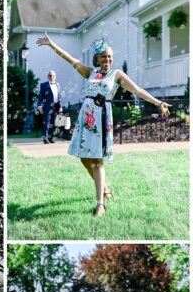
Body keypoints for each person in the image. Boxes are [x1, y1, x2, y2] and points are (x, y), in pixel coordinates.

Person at [37, 34, 171, 217]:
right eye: (103, 56)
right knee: (84, 158)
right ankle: (105, 189)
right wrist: (51, 44)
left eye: (109, 56)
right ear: (97, 58)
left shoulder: (117, 75)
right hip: (86, 117)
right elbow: (70, 59)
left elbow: (138, 90)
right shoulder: (90, 72)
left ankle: (100, 204)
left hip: (101, 118)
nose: (107, 59)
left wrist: (158, 103)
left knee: (97, 161)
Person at [37, 70, 61, 144]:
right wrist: (39, 106)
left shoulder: (57, 85)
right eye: (50, 75)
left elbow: (59, 96)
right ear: (48, 76)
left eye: (53, 75)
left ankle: (51, 138)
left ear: (55, 77)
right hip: (47, 106)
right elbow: (41, 96)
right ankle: (45, 138)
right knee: (46, 122)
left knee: (53, 123)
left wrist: (60, 106)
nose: (51, 77)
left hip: (56, 106)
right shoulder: (43, 85)